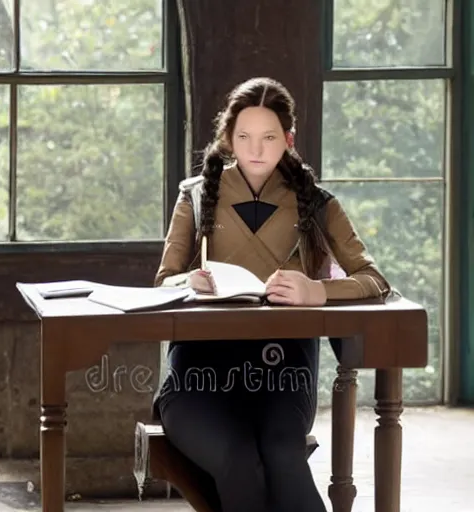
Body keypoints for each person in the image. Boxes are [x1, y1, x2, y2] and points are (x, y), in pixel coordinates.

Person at [151, 77, 391, 512]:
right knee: (238, 458)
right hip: (198, 375)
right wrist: (188, 282)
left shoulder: (317, 204)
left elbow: (374, 280)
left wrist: (318, 290)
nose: (255, 149)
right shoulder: (195, 196)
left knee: (284, 456)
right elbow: (163, 280)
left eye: (268, 137)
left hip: (283, 372)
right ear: (228, 138)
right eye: (243, 137)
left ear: (288, 139)